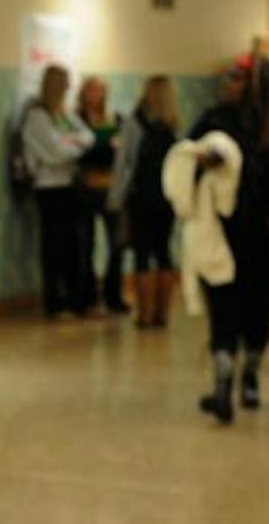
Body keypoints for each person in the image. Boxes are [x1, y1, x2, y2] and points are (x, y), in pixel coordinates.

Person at [188, 57, 269, 422]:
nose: (230, 84)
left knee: (258, 309)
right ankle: (223, 384)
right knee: (223, 304)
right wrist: (202, 164)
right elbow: (186, 157)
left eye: (239, 78)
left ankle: (250, 373)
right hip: (224, 231)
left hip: (268, 235)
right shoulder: (216, 119)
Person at [23, 64, 97, 320]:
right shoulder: (37, 116)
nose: (68, 87)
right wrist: (71, 144)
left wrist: (72, 143)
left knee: (73, 246)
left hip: (68, 186)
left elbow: (88, 137)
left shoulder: (63, 115)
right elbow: (55, 154)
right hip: (49, 189)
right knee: (53, 247)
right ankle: (55, 303)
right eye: (64, 82)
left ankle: (76, 300)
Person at [113, 75, 180, 328]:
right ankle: (162, 313)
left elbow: (124, 163)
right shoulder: (173, 126)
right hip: (167, 198)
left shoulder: (134, 123)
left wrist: (116, 197)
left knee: (142, 254)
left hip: (140, 197)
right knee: (164, 253)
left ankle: (144, 313)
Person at [75, 76, 128, 315]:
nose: (94, 96)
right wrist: (104, 146)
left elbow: (122, 150)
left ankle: (113, 294)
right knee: (85, 242)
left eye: (99, 91)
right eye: (90, 91)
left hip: (111, 185)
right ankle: (87, 295)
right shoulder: (76, 120)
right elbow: (81, 151)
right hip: (86, 186)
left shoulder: (115, 119)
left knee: (117, 242)